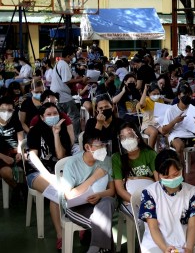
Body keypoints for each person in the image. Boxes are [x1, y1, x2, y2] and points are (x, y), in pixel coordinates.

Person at [139, 149, 195, 253]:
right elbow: (153, 227)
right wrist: (165, 248)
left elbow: (192, 226)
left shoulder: (192, 192)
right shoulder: (150, 193)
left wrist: (189, 248)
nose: (172, 179)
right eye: (166, 176)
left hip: (183, 244)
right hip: (156, 243)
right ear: (158, 175)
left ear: (181, 168)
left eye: (176, 174)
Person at [26, 102, 72, 249]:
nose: (53, 116)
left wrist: (56, 134)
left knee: (73, 189)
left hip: (57, 171)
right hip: (36, 173)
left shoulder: (61, 129)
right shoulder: (35, 131)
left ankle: (77, 226)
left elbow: (60, 155)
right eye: (49, 114)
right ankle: (60, 234)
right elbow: (33, 157)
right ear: (42, 117)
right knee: (56, 193)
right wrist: (47, 175)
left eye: (55, 113)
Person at [61, 129, 115, 253]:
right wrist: (94, 177)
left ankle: (94, 249)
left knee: (108, 202)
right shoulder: (72, 163)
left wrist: (99, 195)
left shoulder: (106, 160)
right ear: (87, 147)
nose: (104, 148)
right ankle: (97, 249)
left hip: (100, 203)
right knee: (104, 220)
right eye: (99, 145)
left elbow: (111, 191)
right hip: (77, 207)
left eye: (104, 145)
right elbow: (69, 196)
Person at [112, 122, 157, 214]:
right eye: (123, 137)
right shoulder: (116, 158)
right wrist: (136, 202)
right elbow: (120, 190)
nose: (127, 140)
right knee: (141, 220)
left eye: (130, 135)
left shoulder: (150, 154)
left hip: (152, 196)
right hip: (129, 200)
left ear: (138, 137)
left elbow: (158, 181)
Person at [161, 84, 195, 164]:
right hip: (176, 136)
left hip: (191, 136)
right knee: (179, 146)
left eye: (189, 94)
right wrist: (174, 121)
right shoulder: (171, 110)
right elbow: (164, 131)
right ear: (179, 96)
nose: (187, 96)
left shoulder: (193, 110)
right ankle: (180, 174)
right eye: (184, 94)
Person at [50, 45, 81, 140]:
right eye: (72, 56)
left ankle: (63, 137)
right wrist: (80, 80)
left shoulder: (58, 63)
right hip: (63, 96)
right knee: (74, 116)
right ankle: (76, 138)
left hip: (57, 95)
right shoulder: (64, 64)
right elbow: (66, 81)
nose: (73, 58)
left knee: (61, 118)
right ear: (68, 56)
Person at [0, 96, 24, 204]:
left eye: (9, 110)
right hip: (1, 154)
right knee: (6, 172)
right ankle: (17, 188)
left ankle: (26, 188)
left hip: (14, 151)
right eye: (3, 110)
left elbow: (20, 137)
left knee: (30, 163)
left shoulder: (15, 119)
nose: (6, 113)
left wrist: (19, 151)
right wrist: (3, 157)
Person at [137, 83, 164, 149]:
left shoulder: (160, 100)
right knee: (154, 132)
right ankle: (150, 151)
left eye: (158, 94)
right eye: (154, 94)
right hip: (147, 124)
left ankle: (167, 150)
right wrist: (145, 90)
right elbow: (141, 104)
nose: (156, 95)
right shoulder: (146, 100)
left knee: (166, 131)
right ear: (149, 94)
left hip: (158, 123)